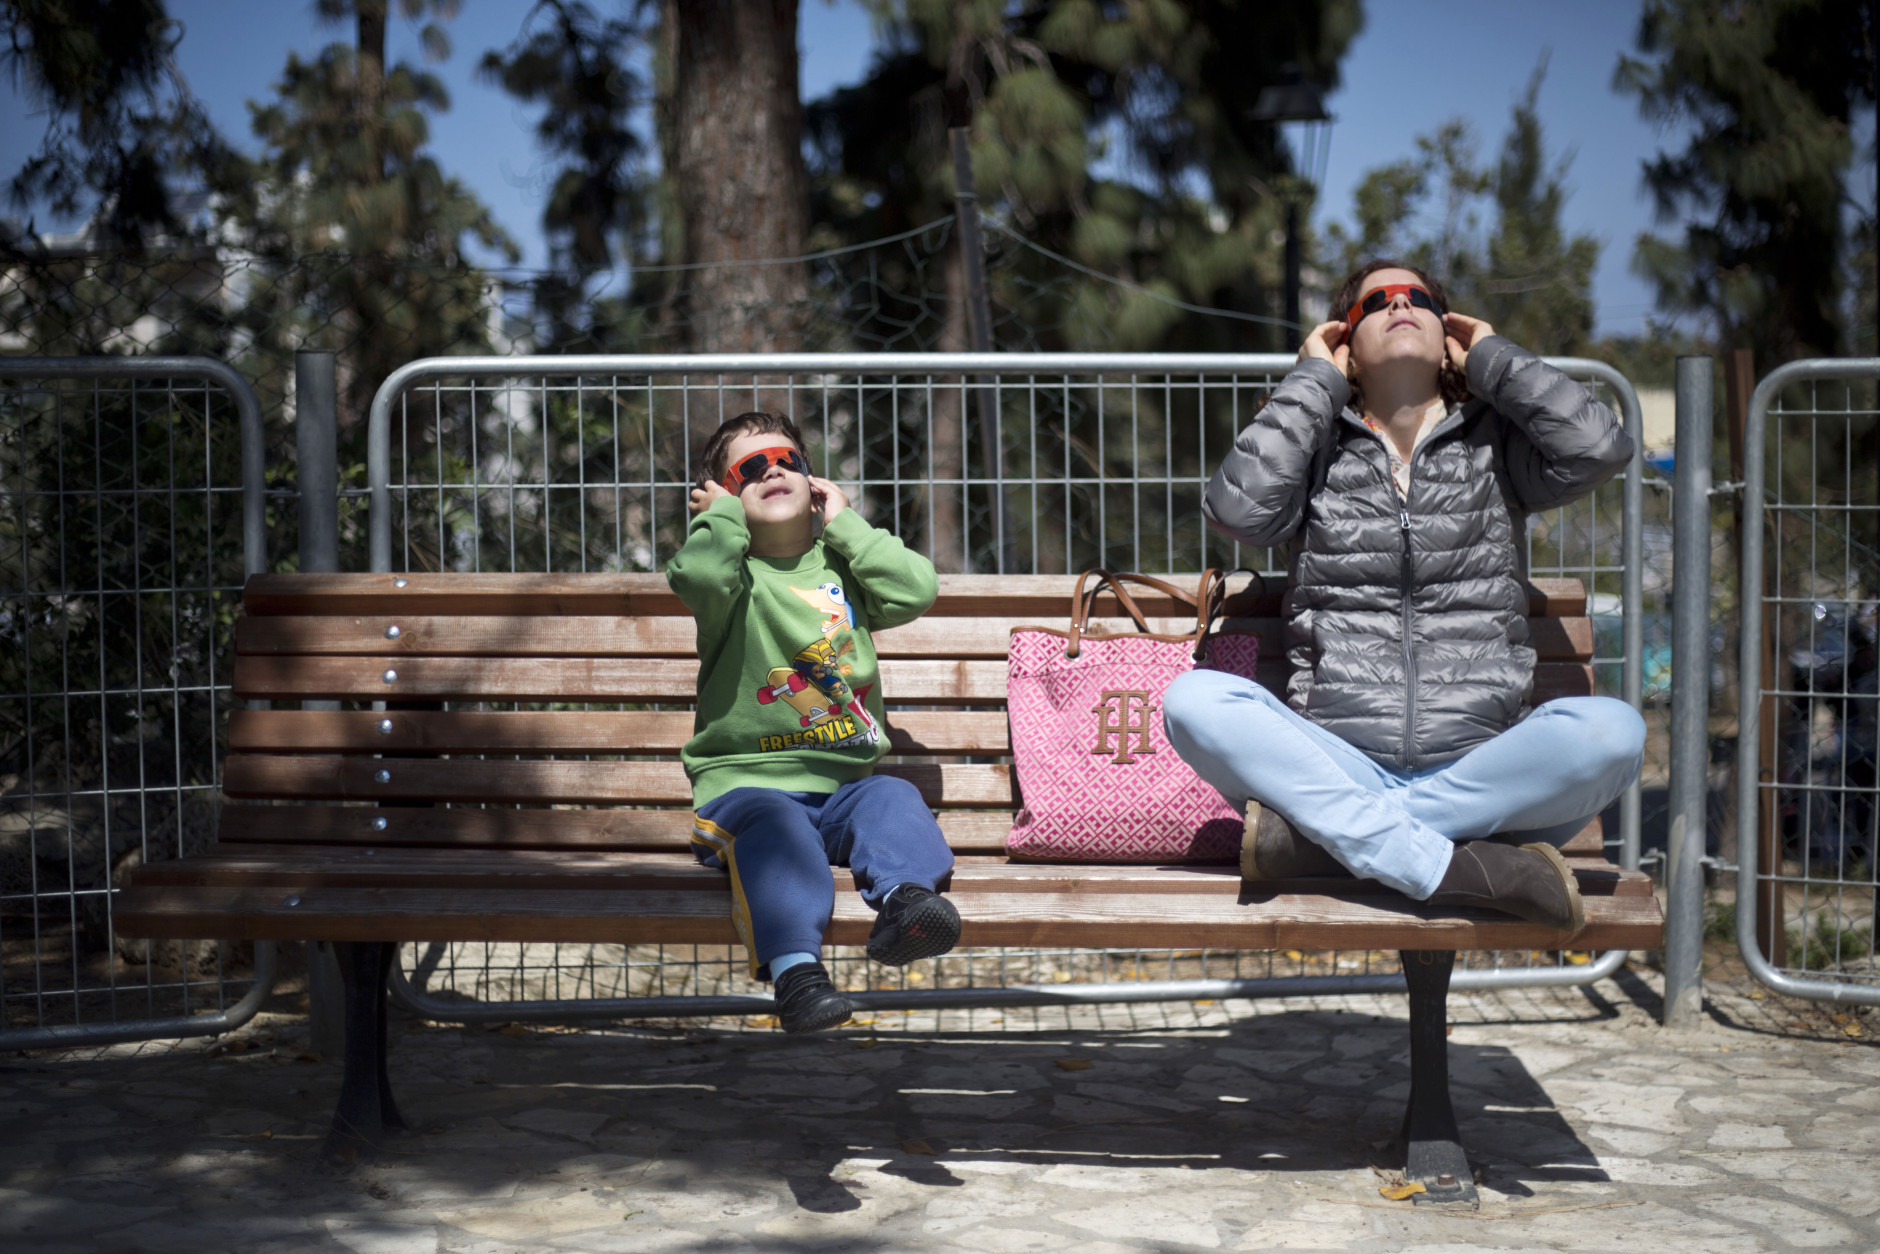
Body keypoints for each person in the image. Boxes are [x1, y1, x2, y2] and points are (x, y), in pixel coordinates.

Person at [1163, 260, 1645, 932]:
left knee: (1614, 732)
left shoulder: (1495, 444)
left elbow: (1601, 447)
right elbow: (1237, 512)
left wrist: (1493, 361)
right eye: (1375, 302)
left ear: (1449, 333)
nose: (1400, 304)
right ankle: (1449, 869)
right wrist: (1312, 384)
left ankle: (1335, 847)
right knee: (1193, 700)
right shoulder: (1314, 449)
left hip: (1483, 777)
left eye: (1419, 297)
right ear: (1345, 345)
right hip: (1340, 762)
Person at [668, 411, 960, 1033]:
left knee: (893, 795)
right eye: (749, 469)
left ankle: (908, 902)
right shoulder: (732, 582)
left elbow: (916, 590)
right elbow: (696, 573)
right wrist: (717, 517)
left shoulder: (843, 566)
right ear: (725, 495)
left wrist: (846, 523)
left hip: (842, 792)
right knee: (775, 825)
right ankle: (798, 976)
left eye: (788, 461)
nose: (773, 470)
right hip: (744, 793)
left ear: (815, 483)